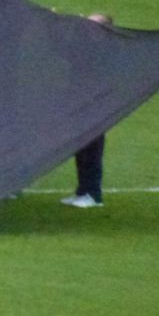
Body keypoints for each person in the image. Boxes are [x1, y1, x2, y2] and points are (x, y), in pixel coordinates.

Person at [62, 13, 113, 208]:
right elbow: (66, 52)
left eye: (91, 23)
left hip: (96, 109)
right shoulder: (89, 46)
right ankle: (82, 191)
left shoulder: (104, 50)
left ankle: (93, 194)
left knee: (92, 151)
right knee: (81, 150)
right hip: (81, 106)